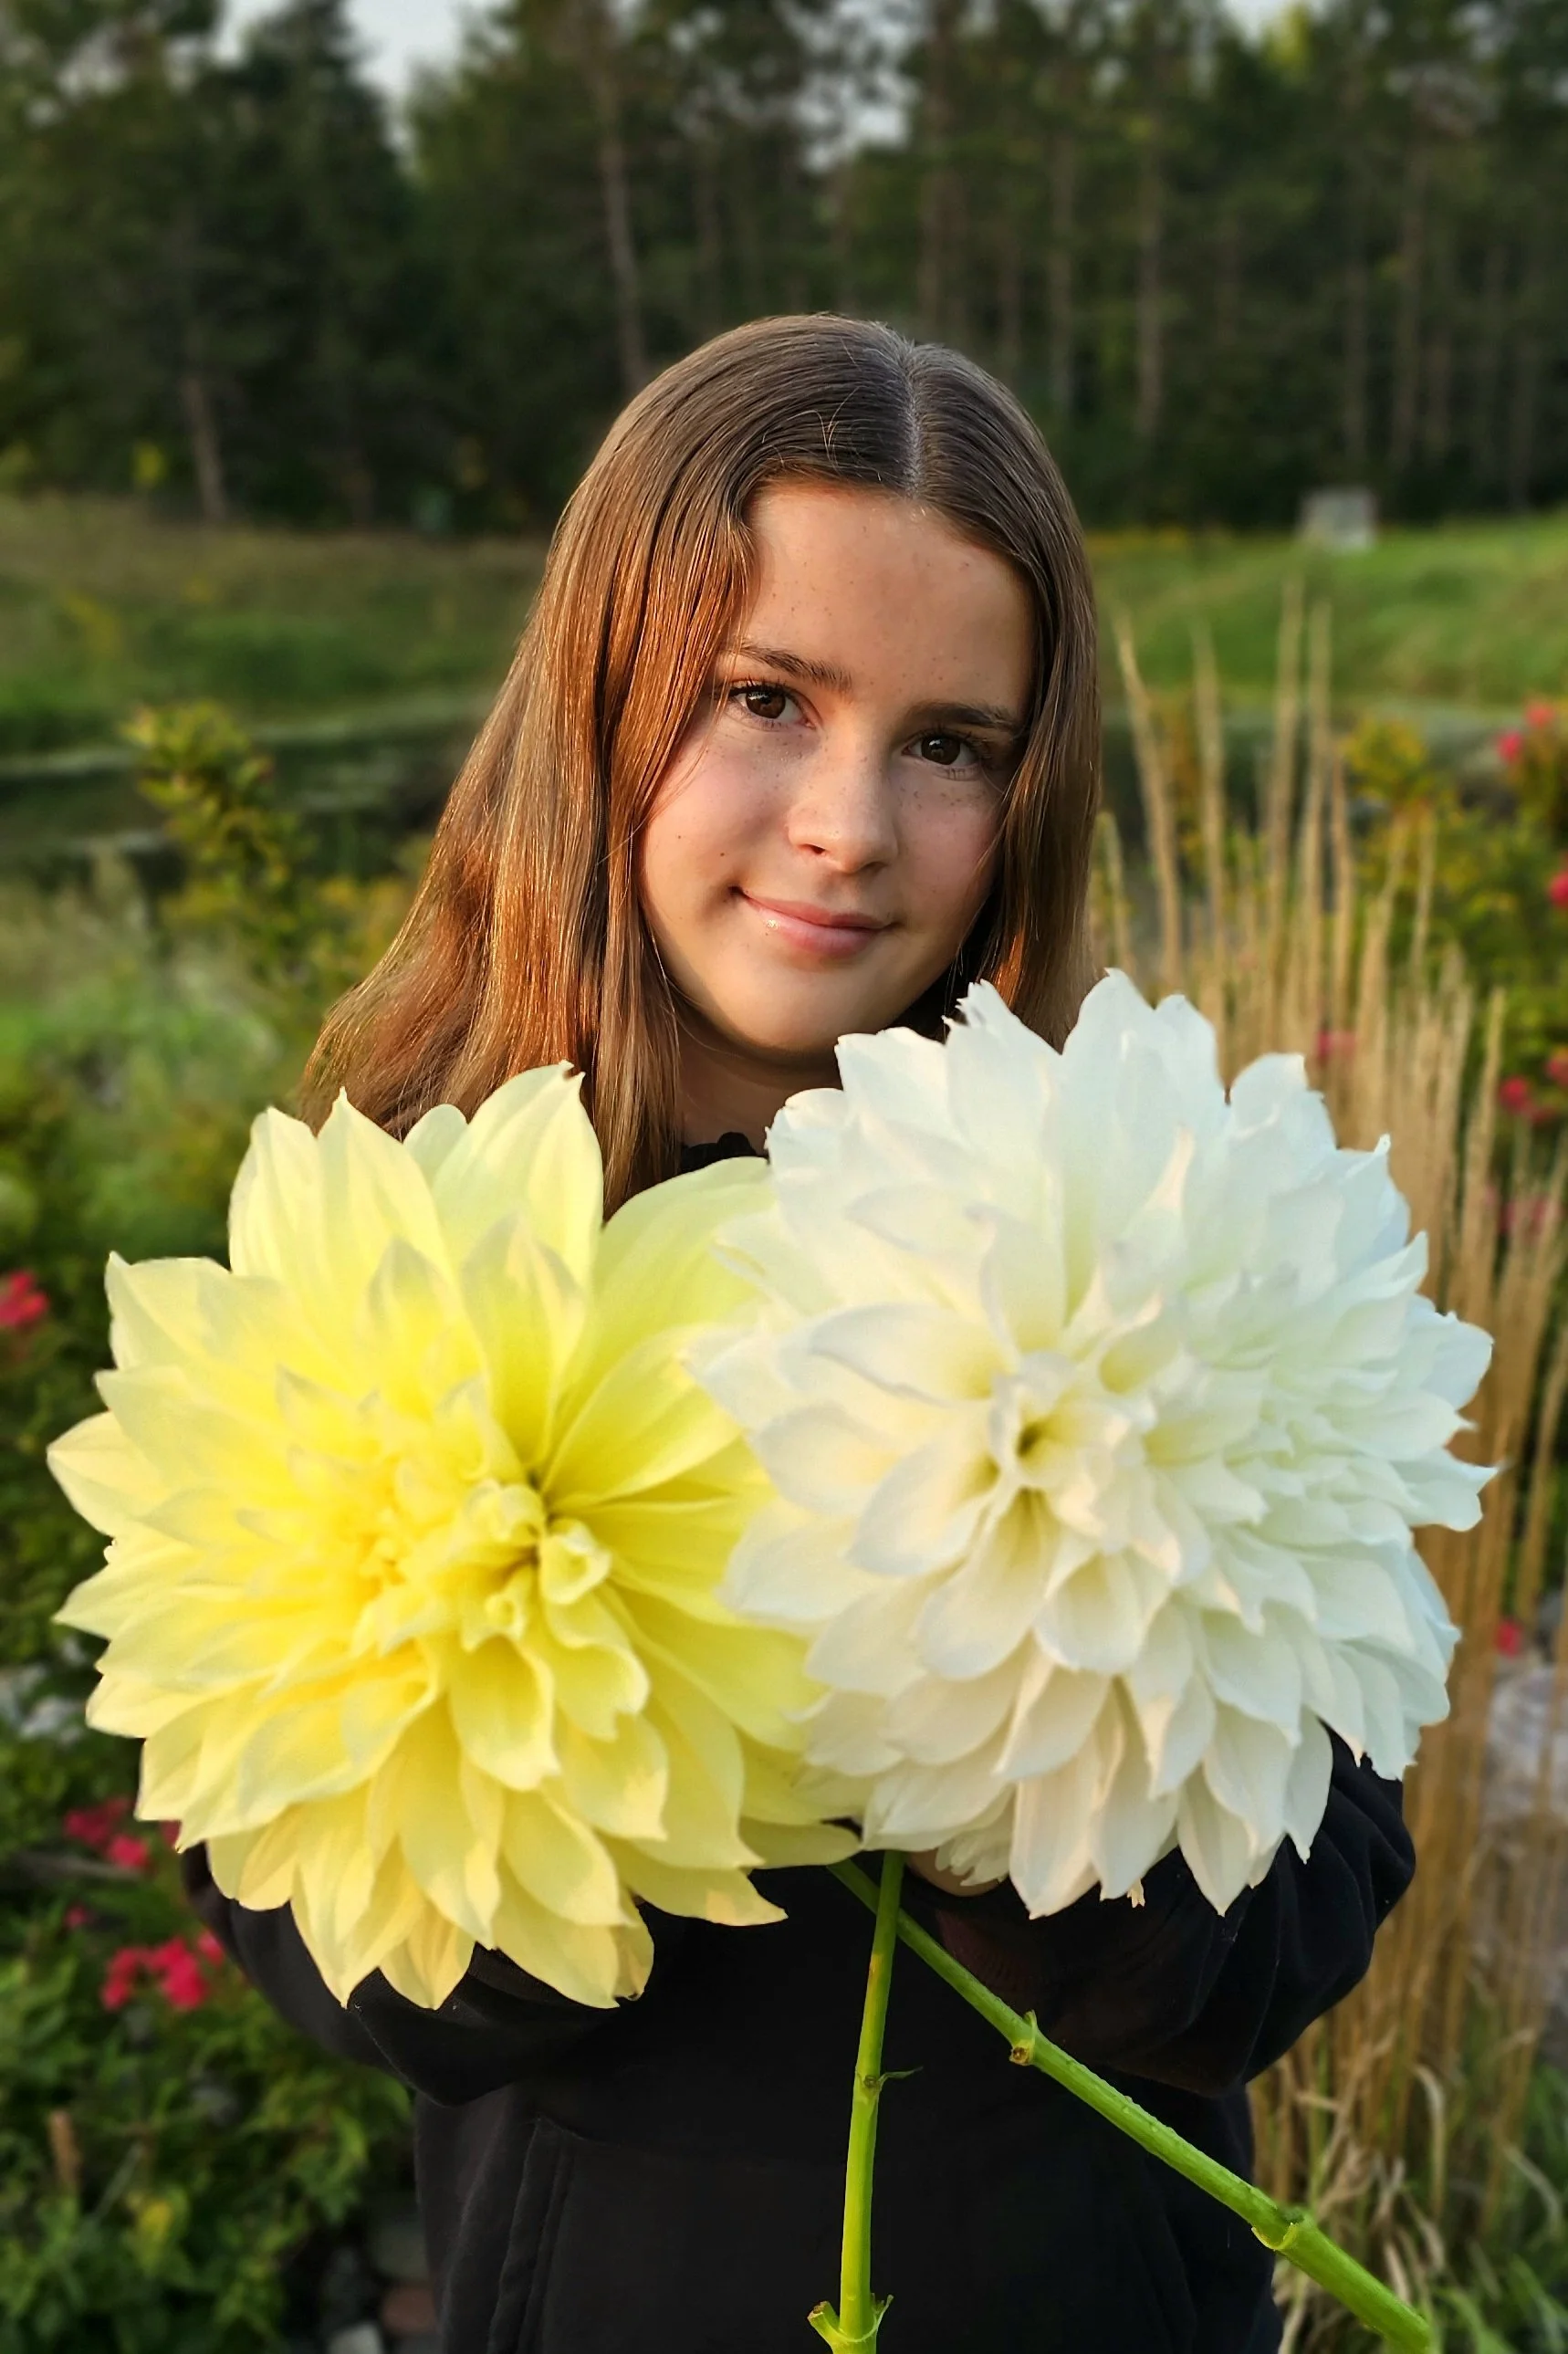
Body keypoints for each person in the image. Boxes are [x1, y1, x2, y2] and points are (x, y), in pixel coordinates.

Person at [183, 314, 1415, 2354]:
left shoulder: (1155, 1222)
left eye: (950, 742)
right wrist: (613, 1731)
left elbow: (1287, 1929)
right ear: (600, 699)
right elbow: (343, 1954)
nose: (850, 820)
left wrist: (1001, 1754)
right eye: (766, 698)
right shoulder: (383, 1232)